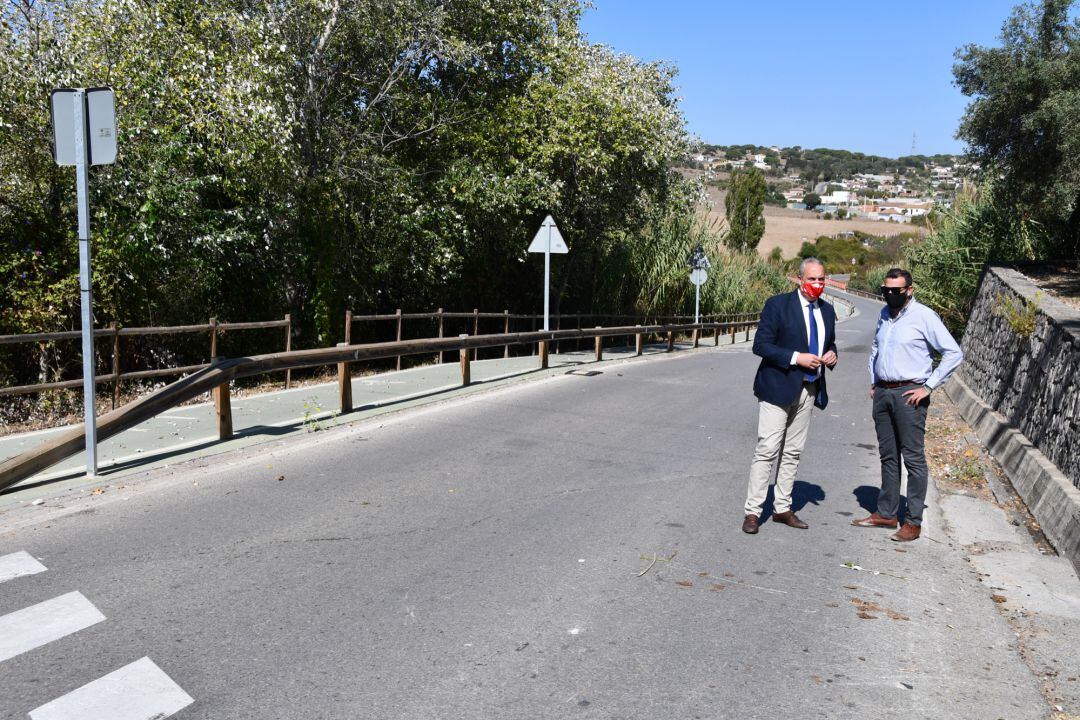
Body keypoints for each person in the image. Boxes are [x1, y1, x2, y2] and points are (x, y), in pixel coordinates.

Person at [853, 268, 963, 542]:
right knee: (888, 456)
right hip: (883, 392)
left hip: (909, 394)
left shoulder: (924, 316)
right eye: (886, 290)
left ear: (909, 290)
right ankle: (886, 513)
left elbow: (953, 353)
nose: (890, 295)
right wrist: (873, 380)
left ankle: (913, 521)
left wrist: (928, 387)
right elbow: (877, 349)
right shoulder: (883, 315)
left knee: (913, 459)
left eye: (896, 291)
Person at [742, 257, 837, 534]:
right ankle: (753, 511)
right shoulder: (778, 305)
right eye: (812, 279)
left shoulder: (828, 312)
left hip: (809, 390)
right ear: (799, 279)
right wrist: (797, 358)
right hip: (777, 387)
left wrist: (832, 355)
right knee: (767, 449)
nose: (817, 284)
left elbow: (829, 343)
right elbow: (761, 345)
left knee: (793, 452)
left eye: (821, 279)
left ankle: (782, 507)